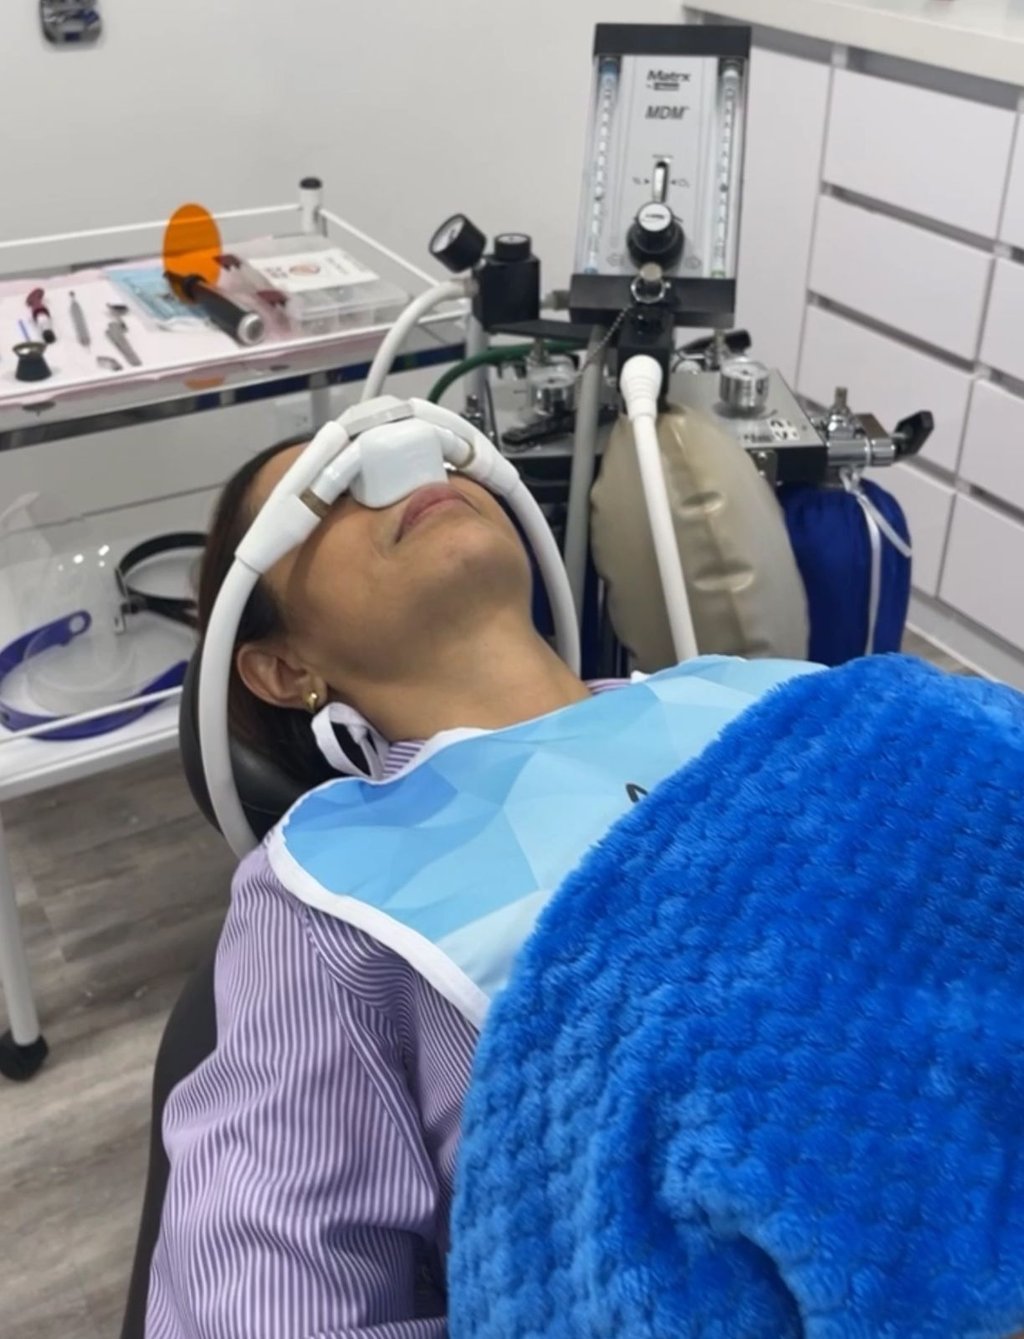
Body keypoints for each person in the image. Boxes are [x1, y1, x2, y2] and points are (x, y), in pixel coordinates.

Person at [146, 435, 621, 1339]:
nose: (403, 467)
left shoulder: (749, 693)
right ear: (286, 668)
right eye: (326, 491)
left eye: (431, 451)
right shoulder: (326, 900)